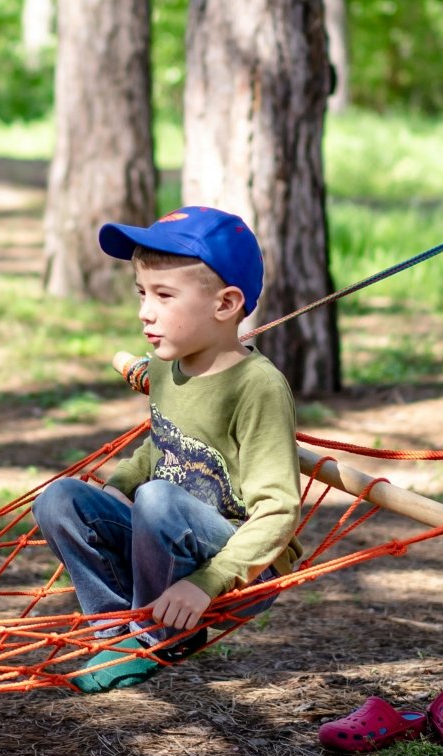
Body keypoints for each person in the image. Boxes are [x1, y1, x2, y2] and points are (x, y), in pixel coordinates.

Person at [34, 206, 303, 694]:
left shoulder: (258, 387)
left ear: (225, 305)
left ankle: (153, 638)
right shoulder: (167, 365)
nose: (144, 311)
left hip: (239, 572)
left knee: (157, 498)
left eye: (163, 295)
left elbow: (278, 512)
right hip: (163, 540)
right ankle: (115, 632)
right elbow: (160, 444)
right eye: (142, 293)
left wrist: (207, 582)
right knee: (59, 499)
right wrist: (117, 490)